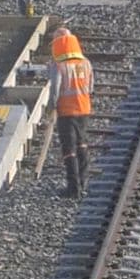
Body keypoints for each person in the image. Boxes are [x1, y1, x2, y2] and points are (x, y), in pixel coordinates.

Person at [49, 27, 93, 198]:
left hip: (66, 112)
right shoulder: (86, 63)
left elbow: (55, 91)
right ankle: (83, 182)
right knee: (82, 145)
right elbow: (90, 87)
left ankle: (73, 188)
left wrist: (52, 108)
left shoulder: (59, 66)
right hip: (84, 110)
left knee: (69, 149)